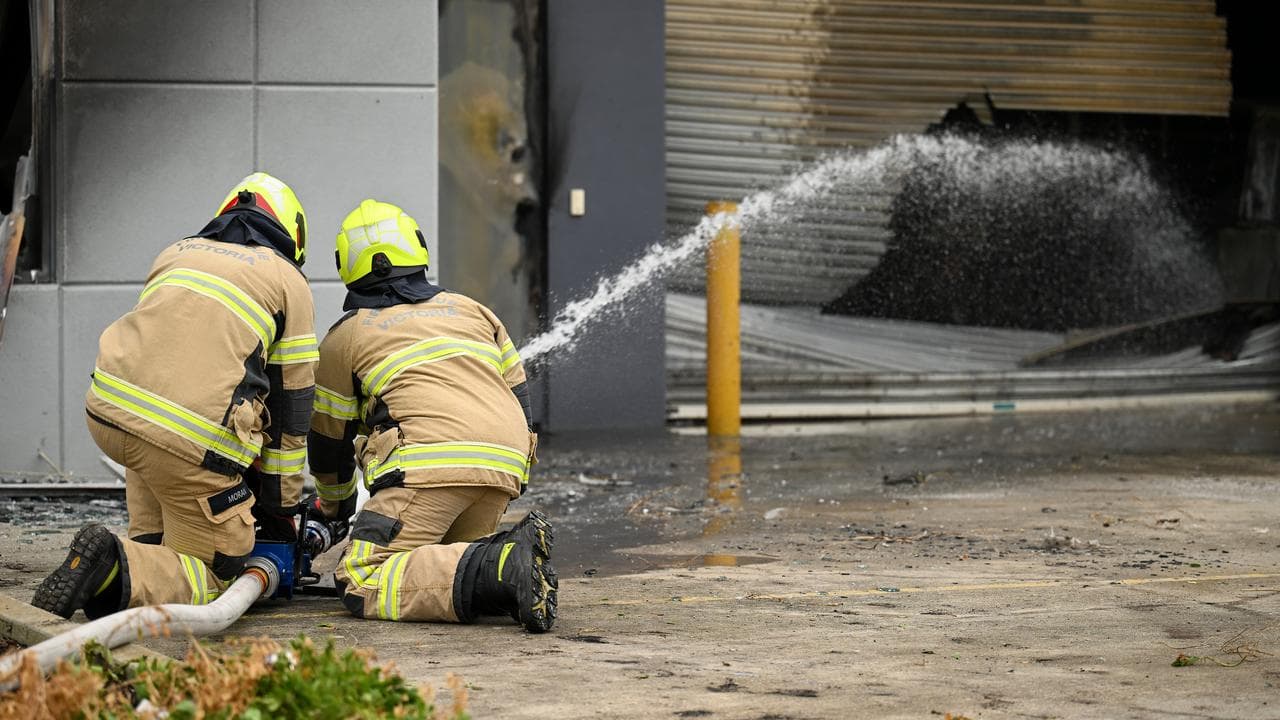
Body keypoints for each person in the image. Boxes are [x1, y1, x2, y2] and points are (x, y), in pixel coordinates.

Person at [32, 172, 317, 618]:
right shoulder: (286, 280)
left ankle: (144, 551)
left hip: (111, 415)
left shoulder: (176, 251)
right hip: (188, 443)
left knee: (156, 453)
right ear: (291, 233)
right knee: (219, 566)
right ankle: (112, 566)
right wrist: (279, 509)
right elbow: (291, 412)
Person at [308, 199, 556, 632]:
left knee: (362, 577)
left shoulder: (345, 337)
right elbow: (521, 401)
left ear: (346, 266)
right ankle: (504, 568)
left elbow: (329, 443)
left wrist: (333, 507)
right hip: (502, 472)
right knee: (442, 565)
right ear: (417, 249)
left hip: (428, 471)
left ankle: (504, 562)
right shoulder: (474, 311)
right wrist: (514, 473)